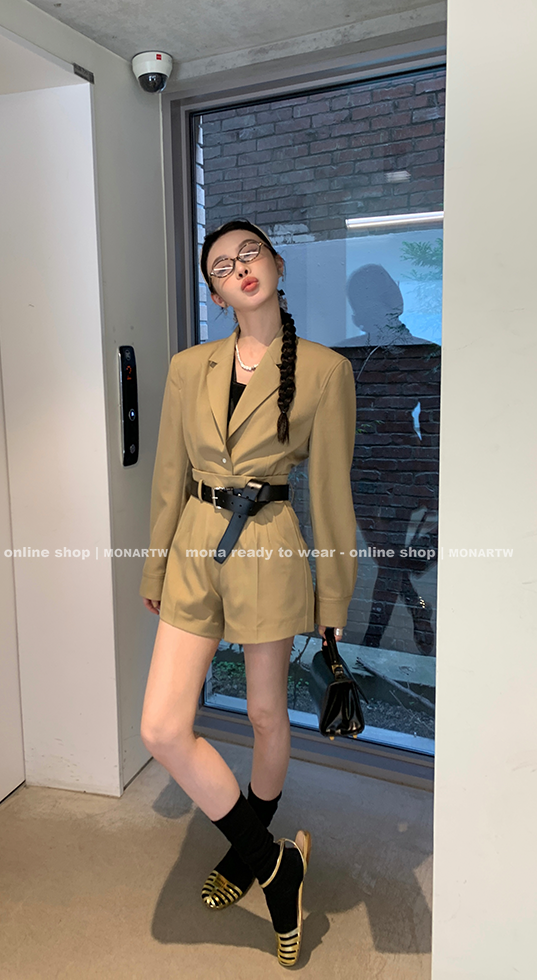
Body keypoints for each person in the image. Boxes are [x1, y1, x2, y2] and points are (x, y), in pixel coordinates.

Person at [139, 220, 358, 967]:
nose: (240, 269)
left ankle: (248, 850)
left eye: (250, 254)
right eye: (222, 266)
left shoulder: (325, 370)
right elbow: (168, 475)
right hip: (194, 546)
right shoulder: (187, 367)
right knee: (162, 728)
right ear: (214, 293)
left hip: (268, 544)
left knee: (266, 713)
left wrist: (334, 606)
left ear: (277, 263)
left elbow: (332, 497)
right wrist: (154, 568)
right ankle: (274, 862)